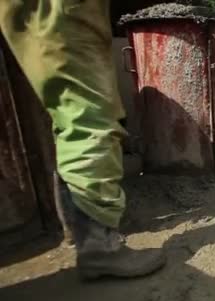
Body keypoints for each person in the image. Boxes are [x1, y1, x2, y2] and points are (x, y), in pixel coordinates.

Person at [0, 0, 166, 280]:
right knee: (90, 115)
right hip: (62, 8)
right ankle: (100, 245)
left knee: (68, 114)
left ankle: (79, 229)